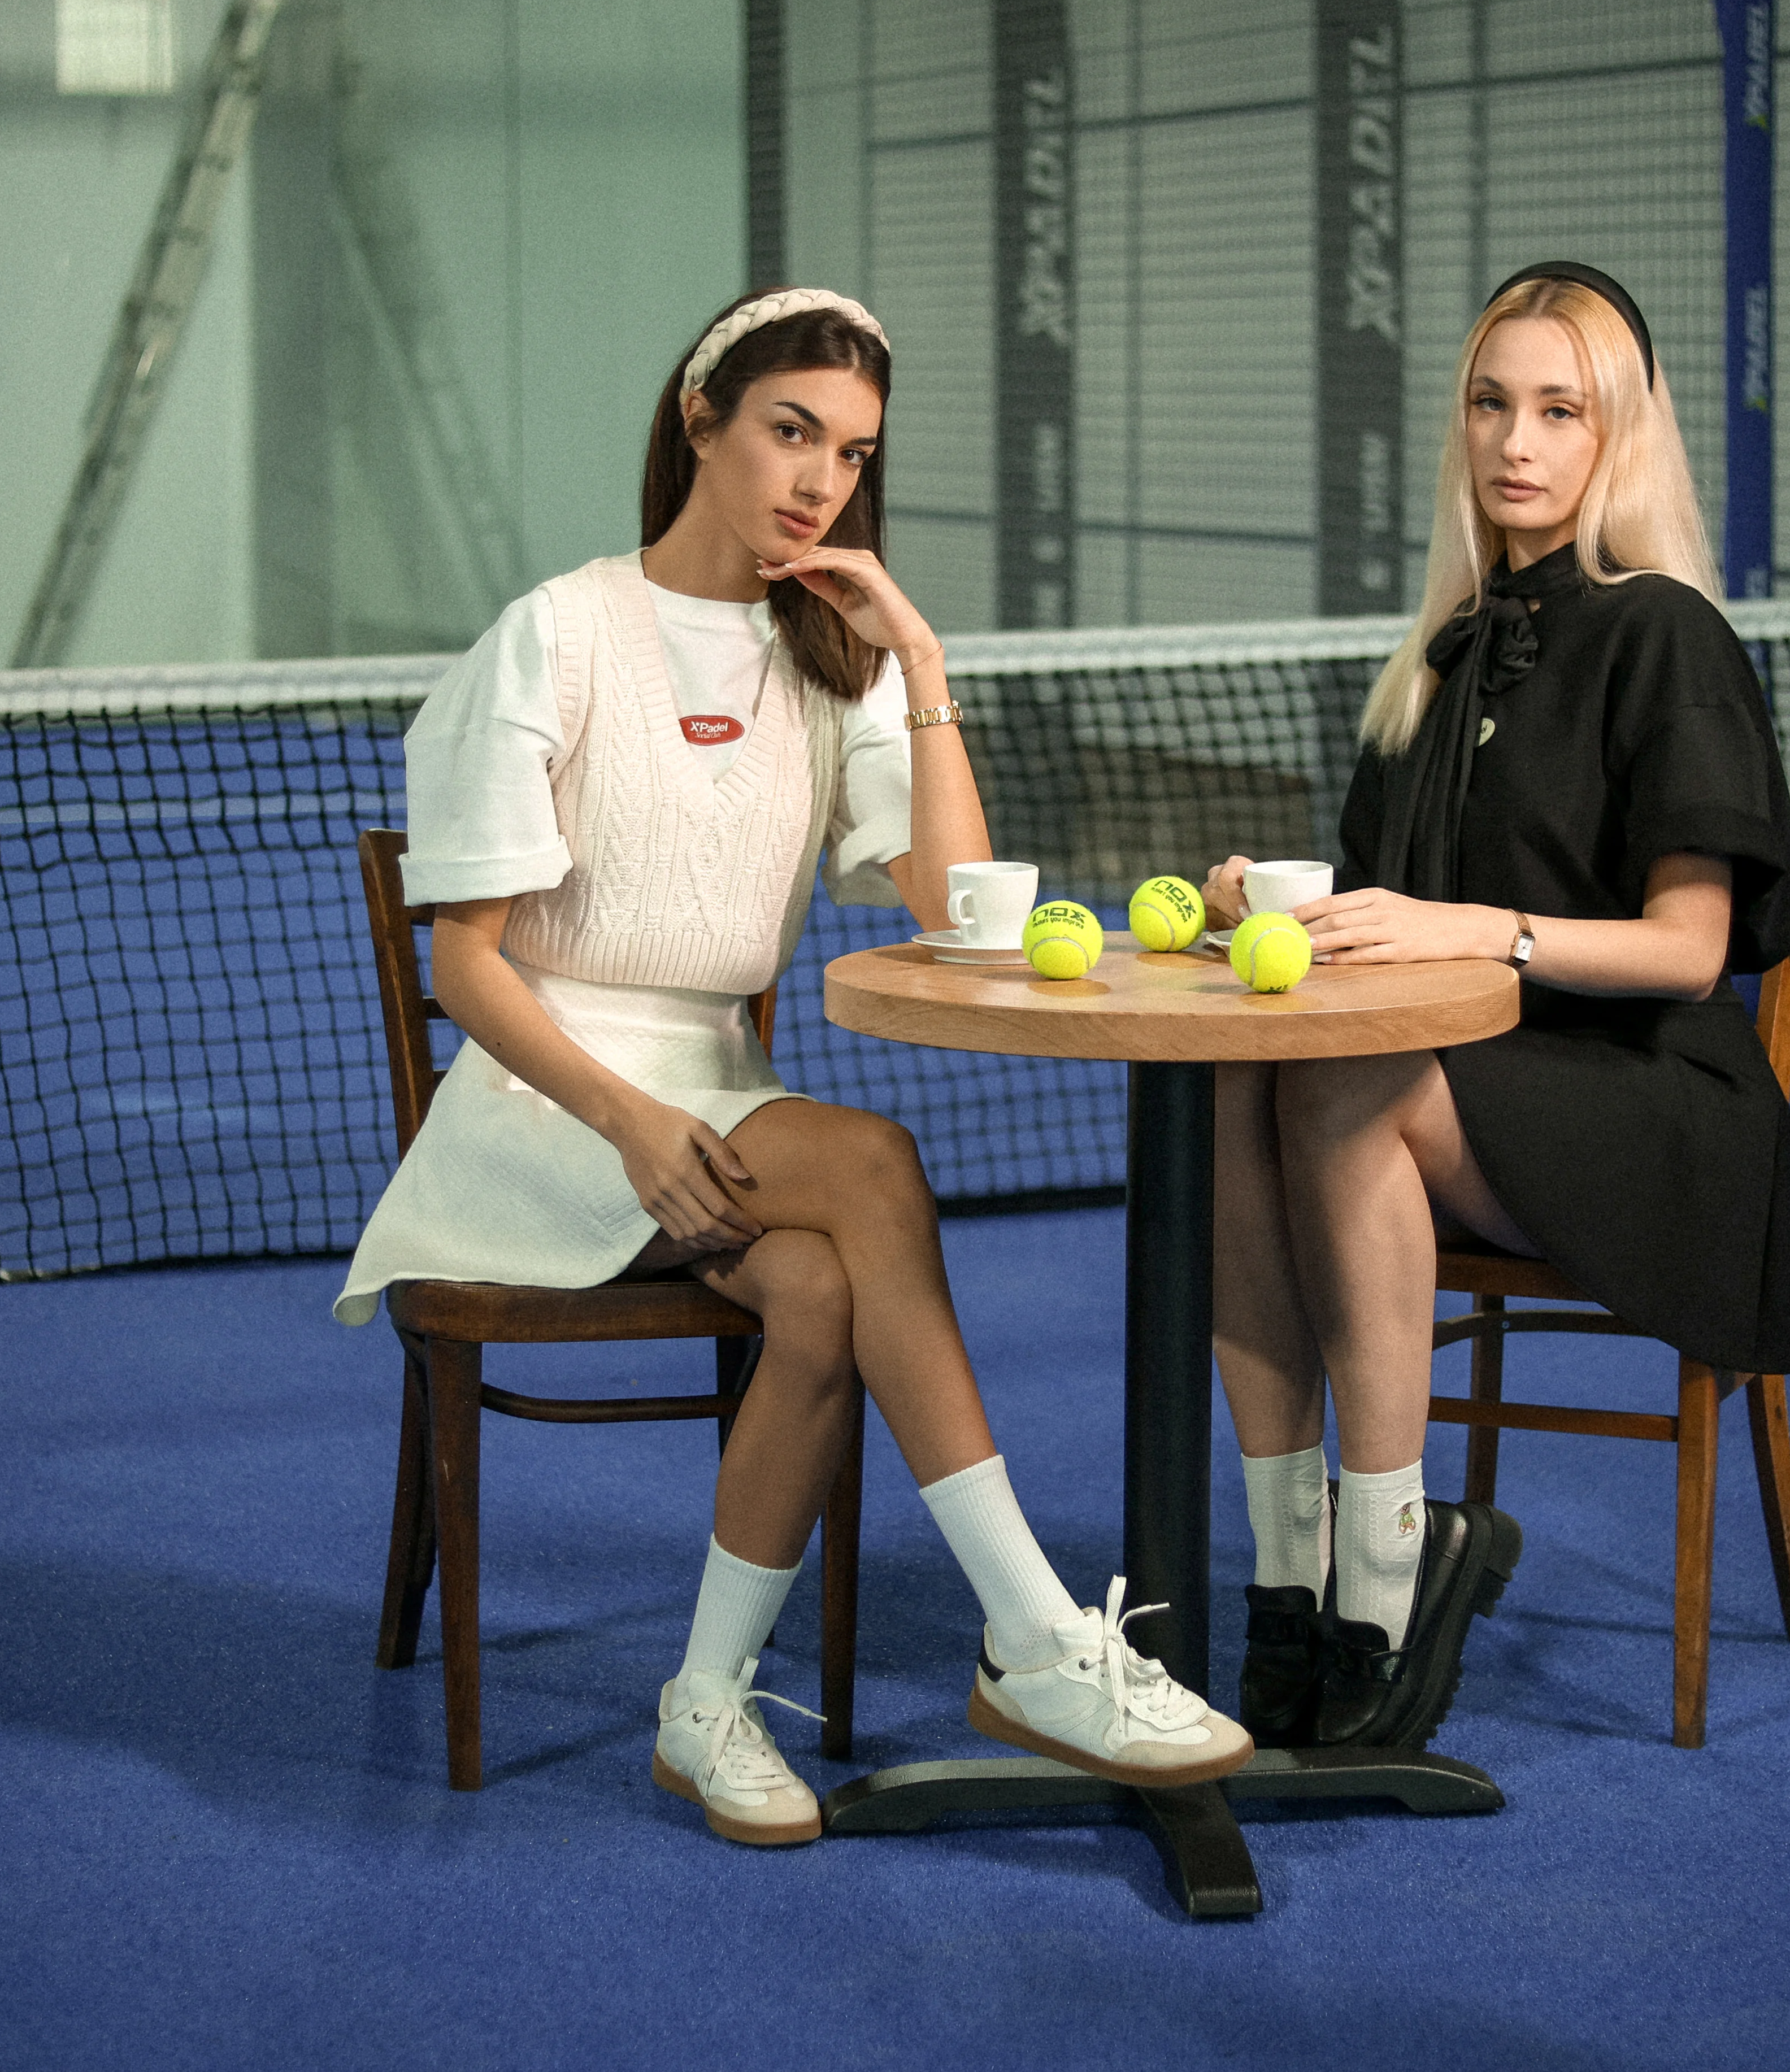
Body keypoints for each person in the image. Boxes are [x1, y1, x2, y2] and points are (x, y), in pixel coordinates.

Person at [336, 287, 1250, 1847]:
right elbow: (466, 968)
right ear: (702, 421)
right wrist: (627, 1121)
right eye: (789, 430)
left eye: (852, 452)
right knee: (879, 1164)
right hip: (540, 1109)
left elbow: (959, 915)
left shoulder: (835, 664)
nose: (820, 477)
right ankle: (1032, 1637)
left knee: (823, 1289)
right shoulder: (553, 633)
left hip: (723, 1103)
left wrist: (919, 657)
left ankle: (702, 1704)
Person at [1200, 262, 1790, 1752]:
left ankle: (1391, 1574)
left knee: (1348, 1094)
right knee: (1234, 1081)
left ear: (1619, 439)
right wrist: (1272, 916)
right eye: (1490, 403)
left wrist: (1473, 931)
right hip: (1464, 1084)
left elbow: (1688, 954)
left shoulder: (1667, 634)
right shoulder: (1437, 659)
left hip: (1649, 1101)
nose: (1516, 442)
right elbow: (1376, 933)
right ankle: (1290, 1573)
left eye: (1558, 409)